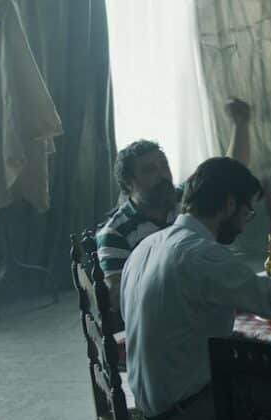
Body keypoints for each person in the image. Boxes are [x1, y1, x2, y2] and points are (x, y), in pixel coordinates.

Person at [120, 158, 271, 420]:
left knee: (258, 363)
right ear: (229, 205)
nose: (245, 225)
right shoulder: (200, 254)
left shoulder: (149, 245)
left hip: (151, 401)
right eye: (247, 213)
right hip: (187, 411)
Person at [97, 98, 253, 313]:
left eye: (164, 165)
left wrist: (240, 124)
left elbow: (228, 174)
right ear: (128, 183)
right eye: (149, 170)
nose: (162, 174)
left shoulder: (186, 198)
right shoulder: (115, 232)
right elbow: (117, 300)